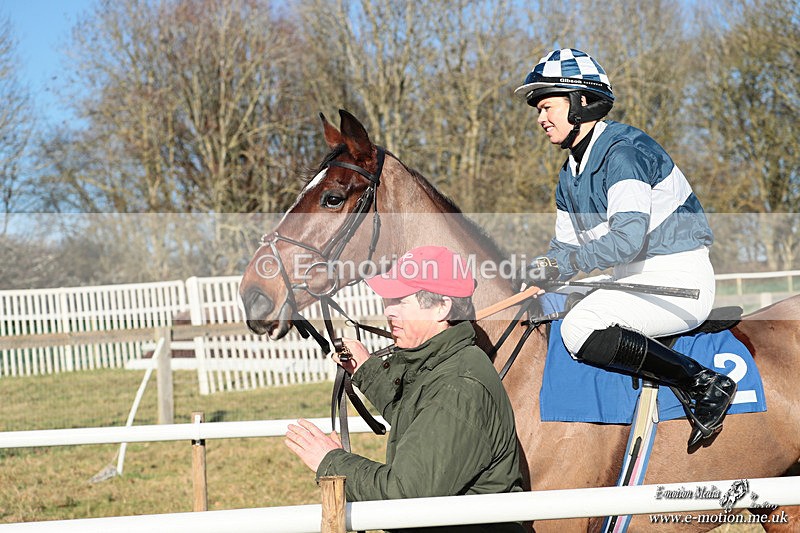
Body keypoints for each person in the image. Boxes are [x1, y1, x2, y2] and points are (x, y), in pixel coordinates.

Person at [515, 48, 737, 448]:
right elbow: (563, 248)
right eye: (538, 109)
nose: (540, 118)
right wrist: (540, 270)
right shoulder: (568, 175)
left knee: (580, 327)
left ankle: (702, 382)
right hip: (630, 281)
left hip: (677, 283)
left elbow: (625, 241)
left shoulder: (623, 153)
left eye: (547, 106)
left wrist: (561, 266)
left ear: (581, 102)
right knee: (551, 306)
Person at [285, 245, 524, 533]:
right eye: (389, 299)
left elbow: (405, 496)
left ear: (442, 307)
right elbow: (420, 414)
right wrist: (365, 370)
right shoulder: (447, 362)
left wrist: (331, 461)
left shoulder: (458, 385)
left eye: (400, 300)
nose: (388, 309)